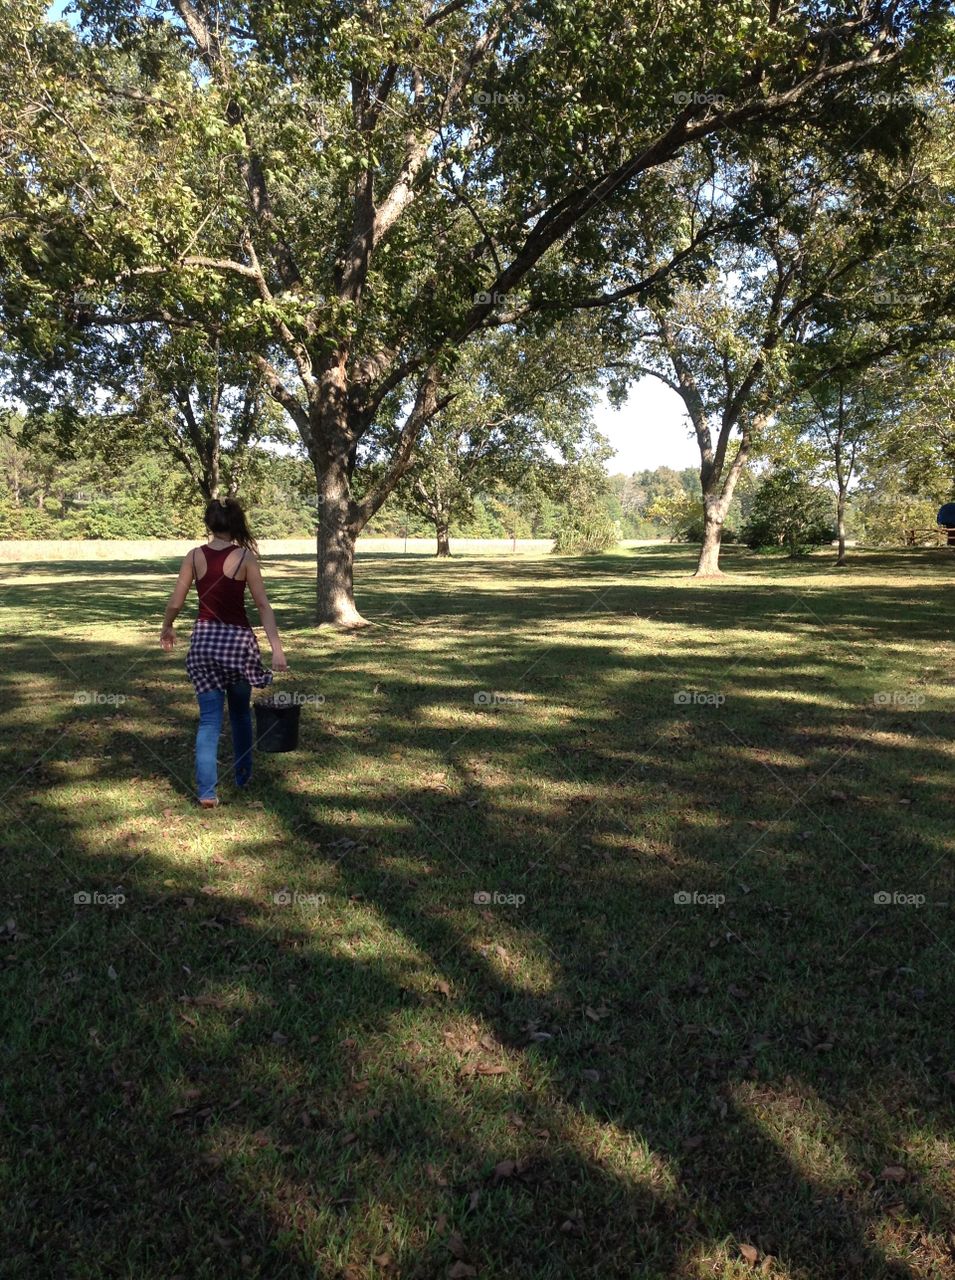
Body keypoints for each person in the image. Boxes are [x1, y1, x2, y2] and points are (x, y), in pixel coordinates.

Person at [159, 498, 288, 807]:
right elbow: (262, 605)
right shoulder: (245, 558)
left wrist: (167, 625)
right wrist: (277, 649)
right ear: (235, 524)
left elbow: (176, 600)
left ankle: (206, 793)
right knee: (241, 713)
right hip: (238, 645)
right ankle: (243, 776)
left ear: (209, 524)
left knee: (209, 721)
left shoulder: (193, 557)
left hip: (203, 643)